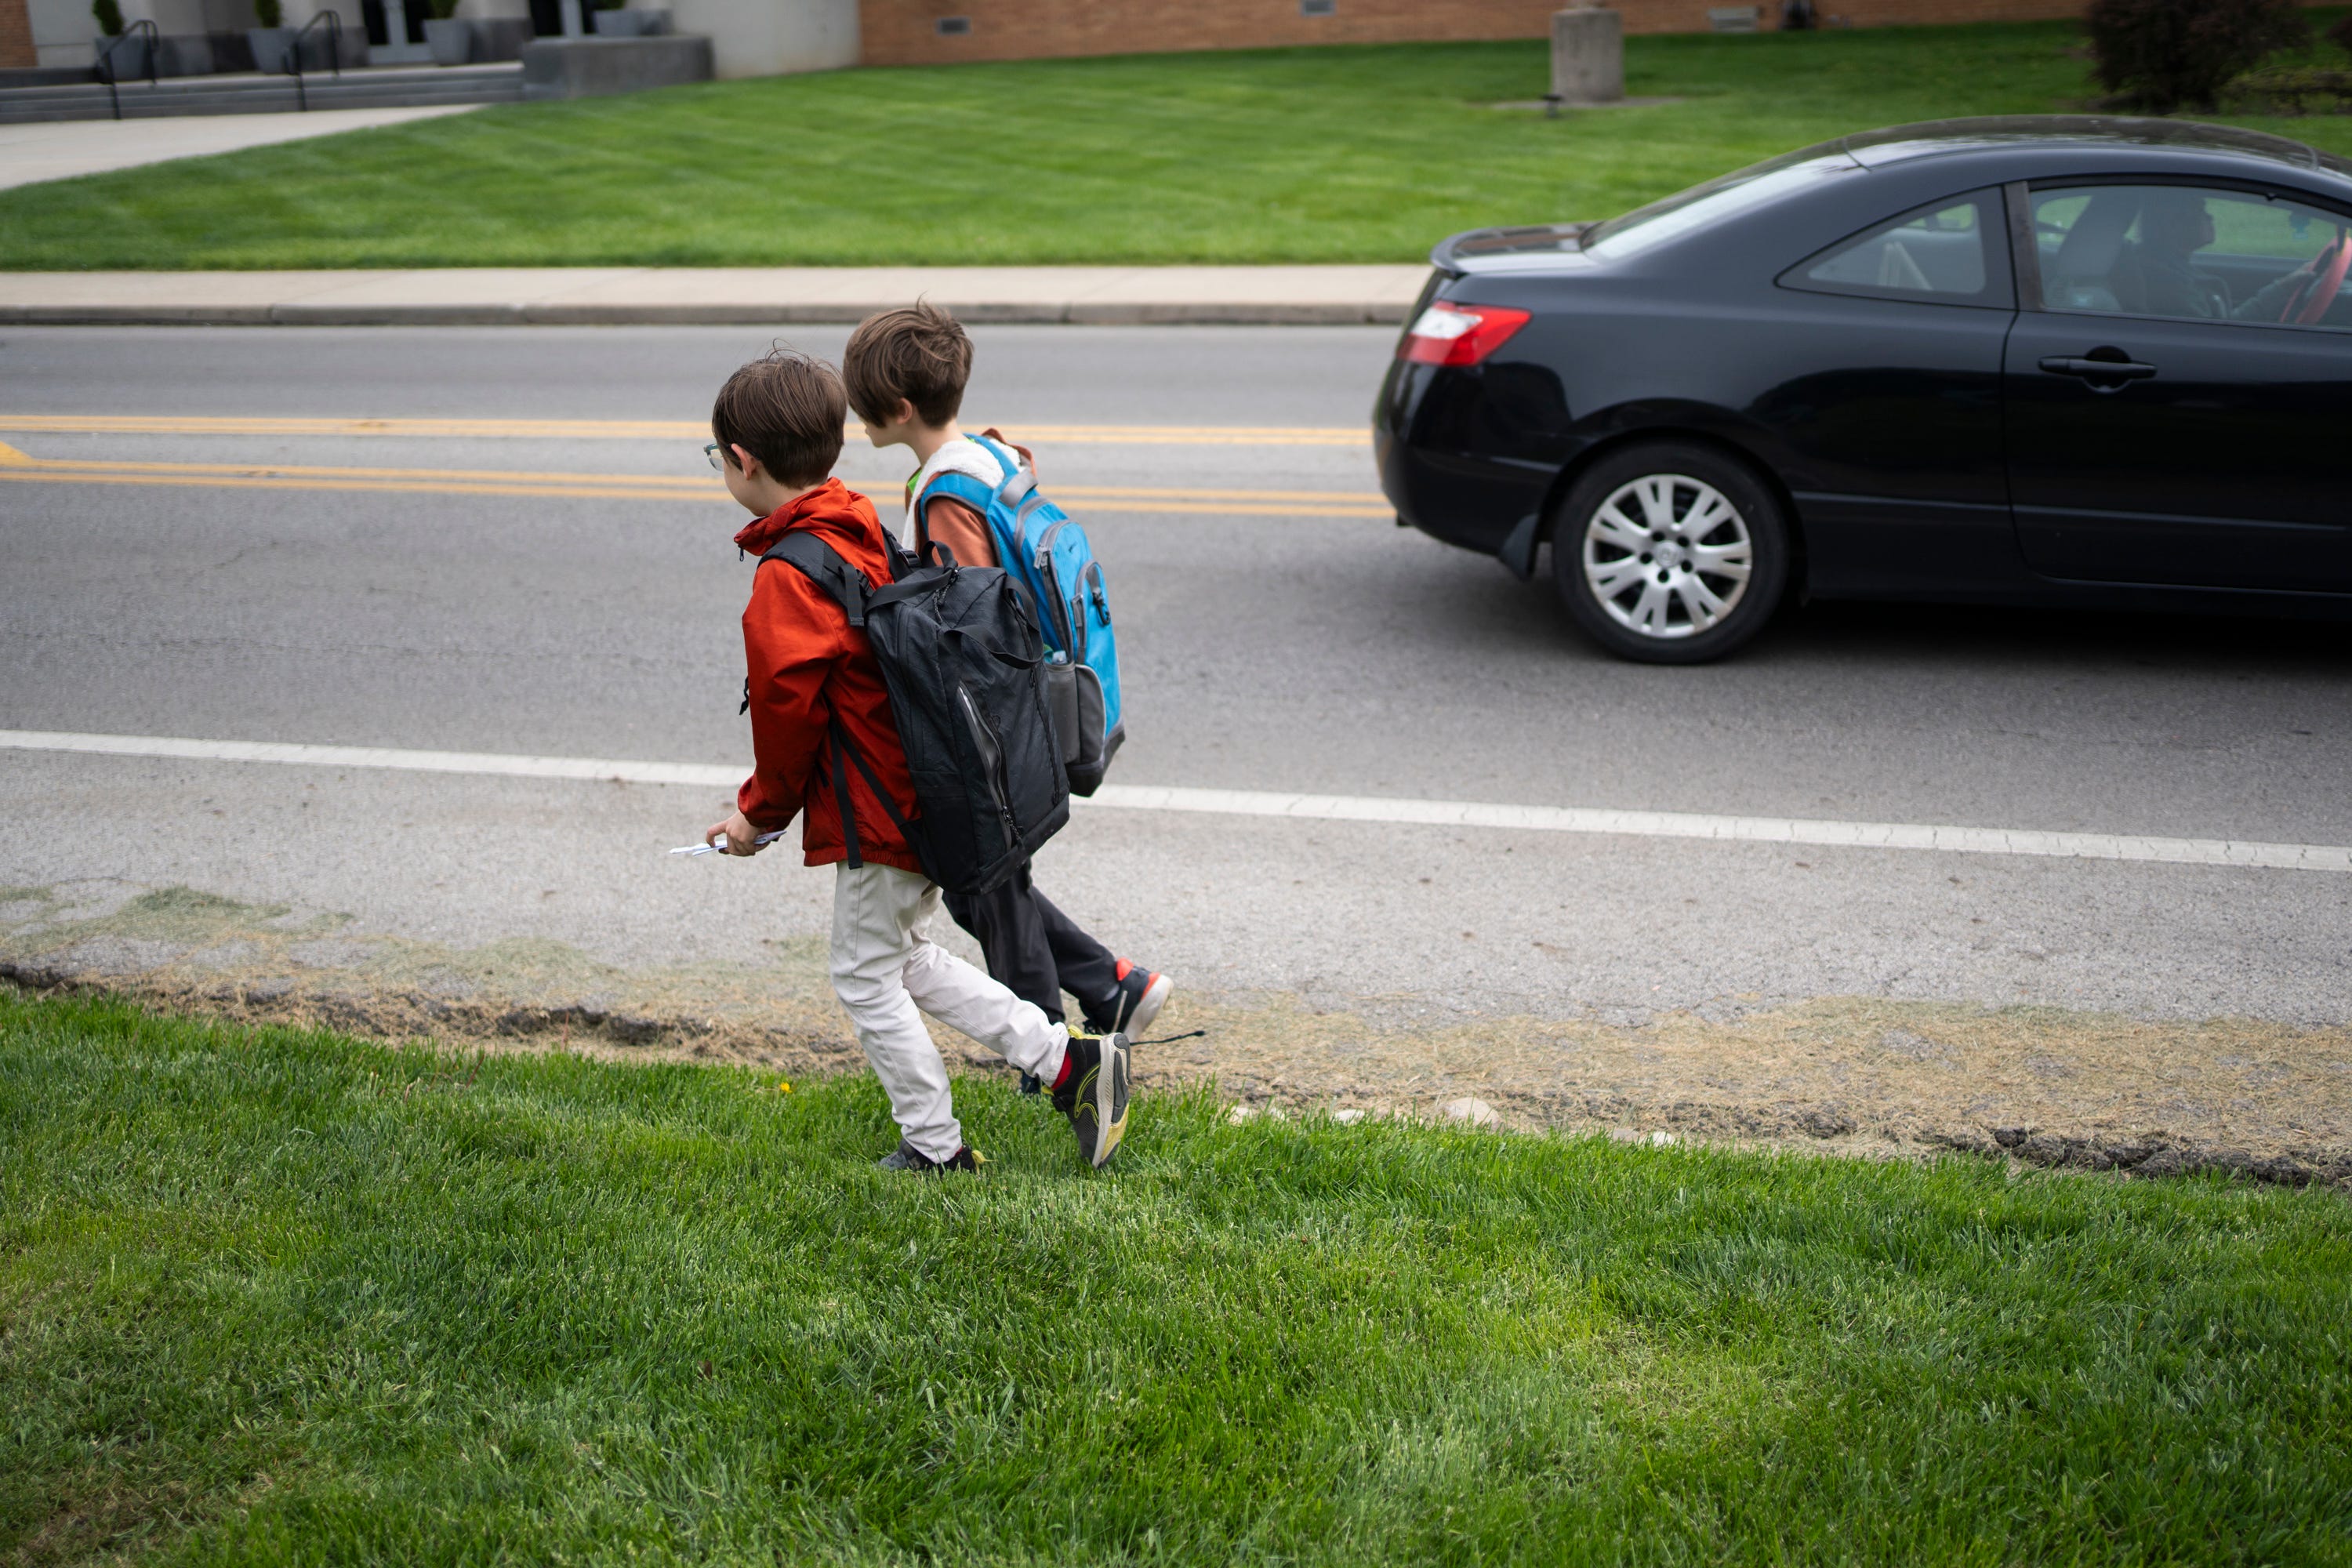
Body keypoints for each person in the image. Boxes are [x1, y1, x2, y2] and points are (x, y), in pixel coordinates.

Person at [699, 347, 1131, 1171]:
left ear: (742, 461)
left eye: (718, 456)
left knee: (864, 976)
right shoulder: (849, 516)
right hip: (925, 784)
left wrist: (758, 814)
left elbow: (788, 719)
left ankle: (935, 1146)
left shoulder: (787, 578)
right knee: (902, 957)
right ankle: (1071, 1062)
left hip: (876, 808)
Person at [840, 304, 1171, 1091]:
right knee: (989, 881)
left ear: (900, 409)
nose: (854, 415)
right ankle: (1111, 987)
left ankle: (1054, 1046)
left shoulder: (946, 493)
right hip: (1039, 695)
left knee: (985, 878)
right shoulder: (986, 455)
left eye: (860, 402)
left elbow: (966, 612)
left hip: (998, 719)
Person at [2119, 191, 2326, 323]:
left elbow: (2225, 326)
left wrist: (2284, 287)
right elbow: (2224, 335)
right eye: (2200, 210)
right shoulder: (2168, 283)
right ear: (2172, 225)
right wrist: (2281, 290)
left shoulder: (2168, 267)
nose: (2210, 217)